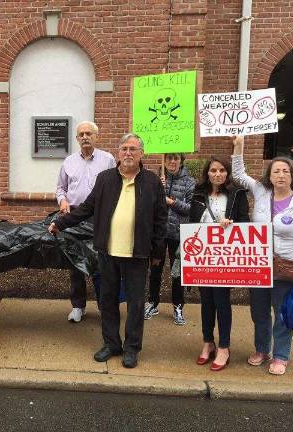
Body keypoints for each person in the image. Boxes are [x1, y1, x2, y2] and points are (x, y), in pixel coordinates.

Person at [49, 133, 167, 368]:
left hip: (138, 253)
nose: (128, 153)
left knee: (135, 303)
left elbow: (160, 219)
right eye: (124, 149)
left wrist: (157, 253)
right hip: (108, 252)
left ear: (141, 153)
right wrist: (60, 223)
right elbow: (87, 208)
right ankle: (112, 344)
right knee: (108, 300)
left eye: (133, 149)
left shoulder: (152, 182)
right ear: (118, 153)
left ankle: (132, 348)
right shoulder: (104, 179)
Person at [232, 135, 293, 375]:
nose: (280, 175)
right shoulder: (260, 192)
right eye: (276, 171)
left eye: (285, 172)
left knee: (282, 312)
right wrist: (239, 146)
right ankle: (262, 349)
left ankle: (280, 355)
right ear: (269, 175)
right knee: (259, 312)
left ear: (292, 176)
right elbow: (239, 175)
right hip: (257, 265)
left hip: (285, 267)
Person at [190, 156, 249, 372]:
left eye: (222, 170)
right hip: (203, 258)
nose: (218, 174)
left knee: (222, 300)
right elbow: (191, 223)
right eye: (213, 170)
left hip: (224, 258)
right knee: (206, 301)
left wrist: (232, 225)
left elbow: (245, 223)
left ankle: (224, 346)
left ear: (227, 173)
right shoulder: (198, 194)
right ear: (207, 173)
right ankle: (208, 341)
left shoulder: (237, 195)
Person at [55, 121, 116, 322]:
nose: (84, 137)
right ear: (76, 138)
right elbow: (60, 188)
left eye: (89, 133)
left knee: (101, 261)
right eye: (81, 134)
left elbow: (117, 188)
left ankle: (104, 306)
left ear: (96, 136)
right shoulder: (69, 161)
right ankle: (78, 306)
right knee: (75, 262)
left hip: (99, 217)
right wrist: (62, 200)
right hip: (74, 217)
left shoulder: (108, 160)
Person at [146, 153, 195, 325]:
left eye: (175, 158)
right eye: (168, 159)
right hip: (159, 233)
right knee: (155, 269)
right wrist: (159, 190)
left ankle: (178, 306)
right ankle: (152, 303)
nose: (172, 162)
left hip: (178, 233)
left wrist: (171, 201)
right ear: (164, 161)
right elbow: (148, 203)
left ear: (181, 160)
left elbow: (191, 209)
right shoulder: (157, 180)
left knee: (177, 272)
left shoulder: (189, 181)